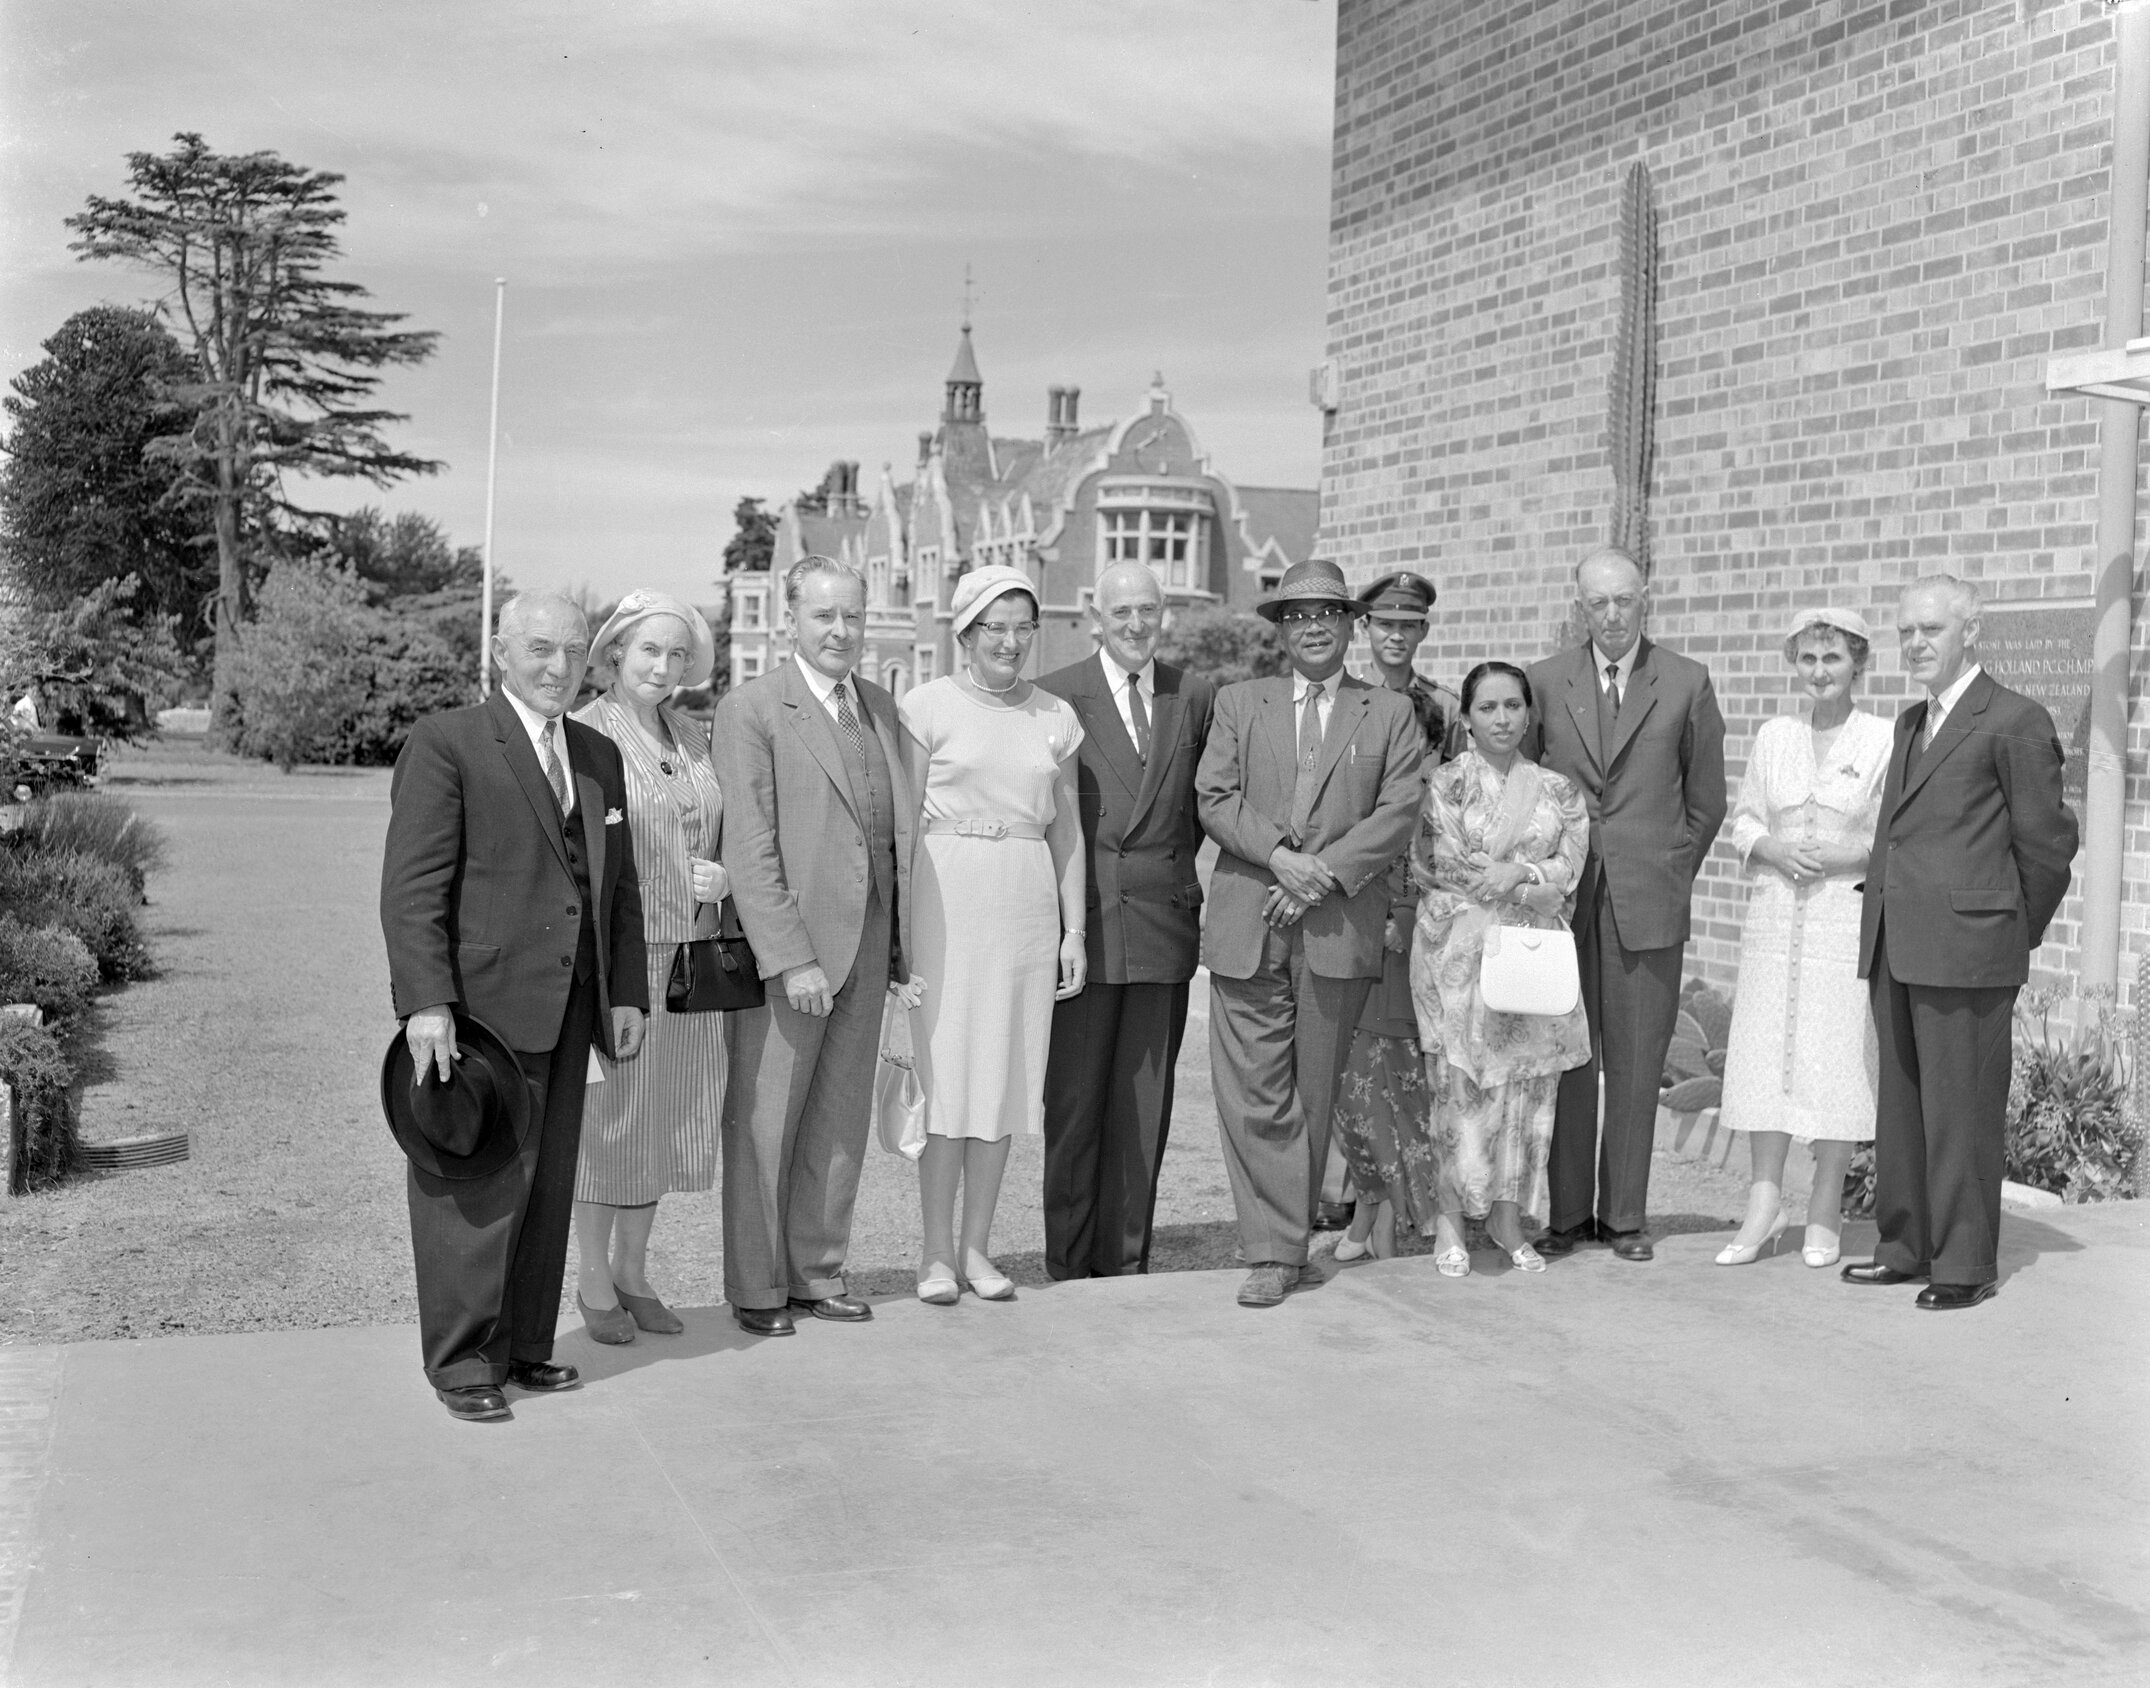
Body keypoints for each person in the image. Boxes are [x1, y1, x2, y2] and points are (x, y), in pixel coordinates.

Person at [380, 592, 649, 1422]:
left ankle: (527, 1347)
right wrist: (428, 1003)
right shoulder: (449, 742)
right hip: (480, 1012)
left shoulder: (598, 754)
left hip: (573, 1007)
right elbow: (411, 889)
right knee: (474, 1180)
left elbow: (621, 889)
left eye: (573, 652)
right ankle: (463, 1364)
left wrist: (629, 993)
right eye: (540, 649)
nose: (558, 667)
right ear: (501, 652)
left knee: (548, 1182)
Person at [1844, 576, 2078, 1310]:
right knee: (1904, 1110)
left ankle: (1966, 1263)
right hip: (1898, 943)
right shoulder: (1911, 722)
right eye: (1906, 631)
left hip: (1970, 950)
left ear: (1970, 631)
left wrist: (2005, 932)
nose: (1915, 643)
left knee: (1962, 1111)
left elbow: (2047, 848)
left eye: (1931, 630)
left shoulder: (2014, 717)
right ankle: (1906, 1246)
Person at [1196, 557, 1423, 1308]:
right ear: (1280, 630)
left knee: (1311, 1093)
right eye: (1297, 615)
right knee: (1252, 1093)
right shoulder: (1239, 702)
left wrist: (1318, 874)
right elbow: (1215, 798)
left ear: (1352, 624)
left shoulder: (1387, 713)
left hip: (1334, 930)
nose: (1314, 626)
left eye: (1327, 613)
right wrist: (1282, 860)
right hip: (1246, 923)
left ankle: (1284, 1241)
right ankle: (1274, 1250)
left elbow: (1397, 813)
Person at [714, 555, 917, 1336]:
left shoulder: (878, 707)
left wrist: (900, 948)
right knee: (767, 1125)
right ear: (789, 621)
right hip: (791, 958)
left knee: (836, 1123)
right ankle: (759, 1289)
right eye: (825, 616)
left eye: (854, 617)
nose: (841, 631)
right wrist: (789, 954)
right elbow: (751, 844)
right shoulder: (754, 708)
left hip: (868, 947)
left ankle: (818, 1272)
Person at [1525, 547, 1726, 1262]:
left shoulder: (1686, 682)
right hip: (1563, 901)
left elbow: (1706, 803)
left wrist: (1669, 867)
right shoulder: (1546, 683)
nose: (1611, 616)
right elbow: (1525, 786)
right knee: (1567, 1059)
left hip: (1649, 899)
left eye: (1624, 601)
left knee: (1638, 1063)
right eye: (1597, 604)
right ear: (1579, 606)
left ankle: (1626, 1217)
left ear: (1647, 600)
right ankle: (1569, 1215)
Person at [900, 565, 1088, 1303]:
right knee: (948, 1074)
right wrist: (900, 935)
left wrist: (1075, 932)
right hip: (944, 900)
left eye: (1022, 628)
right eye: (994, 628)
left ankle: (978, 1247)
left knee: (1006, 1078)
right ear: (966, 634)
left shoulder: (1055, 718)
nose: (1009, 642)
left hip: (1025, 904)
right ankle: (934, 1253)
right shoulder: (927, 706)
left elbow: (1066, 832)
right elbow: (904, 826)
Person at [1037, 561, 1213, 1279]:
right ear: (1095, 618)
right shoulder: (1056, 697)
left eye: (1150, 609)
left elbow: (1196, 812)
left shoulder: (1192, 694)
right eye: (1123, 612)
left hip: (1162, 927)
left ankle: (1125, 1261)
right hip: (1086, 928)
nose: (1137, 624)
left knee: (1145, 1109)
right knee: (1075, 1104)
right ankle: (1069, 1262)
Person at [568, 591, 726, 1340]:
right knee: (612, 1120)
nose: (663, 667)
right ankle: (592, 1279)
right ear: (615, 654)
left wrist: (720, 876)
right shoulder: (582, 735)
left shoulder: (694, 734)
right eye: (648, 652)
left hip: (692, 957)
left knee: (664, 1120)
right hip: (624, 958)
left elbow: (719, 827)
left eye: (676, 654)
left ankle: (634, 1269)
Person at [1715, 609, 1893, 1269]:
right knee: (1768, 1053)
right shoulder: (1774, 736)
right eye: (1809, 659)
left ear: (1858, 665)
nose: (1820, 672)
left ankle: (1824, 1204)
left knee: (1836, 1052)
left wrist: (1850, 856)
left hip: (1839, 918)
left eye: (1834, 659)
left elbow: (1893, 834)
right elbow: (1744, 822)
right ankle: (1764, 1202)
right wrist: (1770, 845)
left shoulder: (1881, 738)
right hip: (1774, 917)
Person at [1408, 662, 1592, 1275]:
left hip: (1529, 963)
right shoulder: (1446, 785)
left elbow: (1571, 867)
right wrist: (1524, 881)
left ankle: (1509, 1219)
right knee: (1457, 1090)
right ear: (1465, 717)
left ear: (1529, 713)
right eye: (1487, 707)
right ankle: (1450, 1223)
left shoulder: (1558, 791)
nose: (1502, 718)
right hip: (1458, 960)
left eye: (1513, 705)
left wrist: (1528, 875)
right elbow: (1447, 865)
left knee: (1526, 1093)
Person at [1332, 570, 1457, 1260]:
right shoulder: (1341, 703)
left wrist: (1425, 901)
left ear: (1423, 632)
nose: (1396, 637)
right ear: (1365, 630)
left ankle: (1421, 1204)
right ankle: (1367, 1201)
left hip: (1419, 901)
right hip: (1351, 895)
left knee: (1406, 1061)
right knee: (1347, 1060)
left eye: (1409, 625)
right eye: (1385, 624)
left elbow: (1456, 811)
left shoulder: (1443, 709)